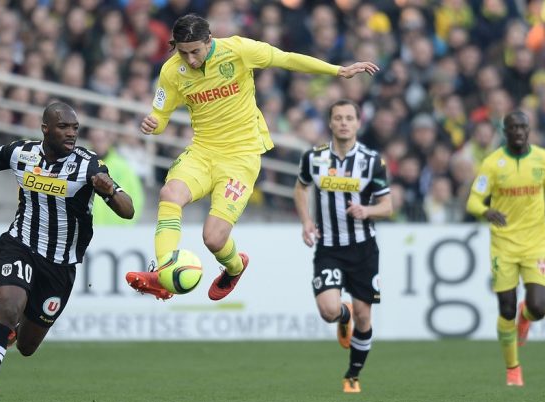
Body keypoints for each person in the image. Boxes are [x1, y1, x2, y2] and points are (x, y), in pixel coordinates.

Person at [125, 14, 379, 301]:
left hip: (241, 157)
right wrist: (153, 124)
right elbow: (160, 115)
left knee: (214, 238)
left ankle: (234, 267)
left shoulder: (238, 51)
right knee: (170, 193)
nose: (191, 59)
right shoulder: (172, 71)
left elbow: (286, 59)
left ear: (210, 41)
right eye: (183, 53)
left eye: (195, 51)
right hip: (203, 151)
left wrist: (337, 71)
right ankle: (163, 271)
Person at [0, 102, 134, 402]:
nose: (72, 133)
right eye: (64, 127)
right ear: (45, 128)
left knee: (28, 346)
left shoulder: (89, 166)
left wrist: (111, 190)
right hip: (20, 245)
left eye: (75, 128)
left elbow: (127, 210)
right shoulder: (22, 152)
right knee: (8, 308)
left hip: (60, 265)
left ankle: (11, 331)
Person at [293, 100, 392, 393]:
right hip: (330, 248)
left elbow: (387, 205)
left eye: (350, 118)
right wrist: (306, 221)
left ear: (358, 123)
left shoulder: (373, 161)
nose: (344, 123)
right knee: (328, 310)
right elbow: (300, 187)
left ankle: (352, 375)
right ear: (331, 123)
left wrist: (367, 211)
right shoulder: (314, 158)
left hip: (363, 248)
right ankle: (342, 315)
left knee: (365, 316)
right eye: (339, 118)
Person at [466, 111, 545, 387]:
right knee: (506, 309)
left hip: (535, 244)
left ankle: (527, 317)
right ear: (505, 131)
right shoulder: (493, 164)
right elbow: (473, 201)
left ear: (529, 129)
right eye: (514, 127)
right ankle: (513, 369)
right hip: (504, 245)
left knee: (538, 307)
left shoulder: (543, 159)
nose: (520, 131)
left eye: (524, 126)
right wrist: (486, 212)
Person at [88, 126, 144, 225]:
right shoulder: (83, 165)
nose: (98, 143)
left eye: (101, 140)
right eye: (95, 140)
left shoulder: (123, 166)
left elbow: (136, 195)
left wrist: (129, 223)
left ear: (108, 141)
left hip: (118, 230)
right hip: (90, 229)